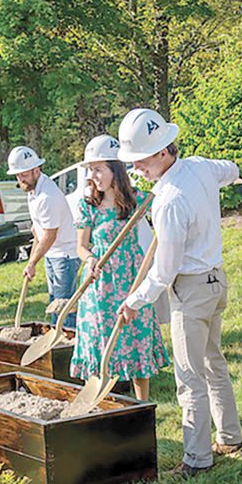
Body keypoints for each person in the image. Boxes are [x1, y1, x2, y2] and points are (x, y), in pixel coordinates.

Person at [117, 108, 242, 478]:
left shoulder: (168, 201)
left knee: (190, 377)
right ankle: (230, 438)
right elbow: (231, 170)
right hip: (216, 281)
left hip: (190, 290)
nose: (136, 170)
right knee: (212, 364)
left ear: (162, 152)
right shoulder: (200, 166)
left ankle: (197, 459)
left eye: (140, 161)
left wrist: (134, 300)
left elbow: (165, 270)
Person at [68, 135, 169, 401]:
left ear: (116, 169)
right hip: (100, 285)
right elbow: (81, 247)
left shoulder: (139, 201)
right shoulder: (88, 205)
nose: (94, 176)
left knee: (137, 340)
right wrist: (89, 259)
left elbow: (166, 209)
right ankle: (103, 406)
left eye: (99, 169)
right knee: (101, 344)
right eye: (91, 170)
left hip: (132, 281)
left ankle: (142, 404)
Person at [9, 145, 79, 329]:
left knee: (64, 307)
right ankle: (56, 343)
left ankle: (68, 345)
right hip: (52, 254)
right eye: (17, 175)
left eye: (23, 174)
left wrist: (32, 263)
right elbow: (37, 231)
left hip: (65, 255)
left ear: (36, 170)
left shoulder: (48, 196)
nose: (20, 180)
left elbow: (50, 236)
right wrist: (33, 260)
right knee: (54, 303)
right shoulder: (33, 190)